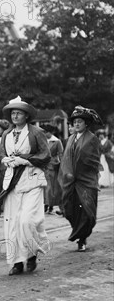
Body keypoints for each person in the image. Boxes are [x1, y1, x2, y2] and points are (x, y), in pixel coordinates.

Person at [0, 96, 50, 276]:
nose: (15, 116)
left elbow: (45, 155)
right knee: (13, 223)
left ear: (26, 116)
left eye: (19, 113)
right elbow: (0, 154)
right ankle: (17, 262)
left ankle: (32, 253)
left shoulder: (35, 133)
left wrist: (25, 160)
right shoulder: (6, 134)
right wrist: (6, 159)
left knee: (27, 220)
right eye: (13, 113)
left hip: (32, 179)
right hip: (12, 183)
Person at [58, 106, 102, 252]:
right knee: (70, 209)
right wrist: (68, 173)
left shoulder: (92, 139)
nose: (76, 124)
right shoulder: (70, 139)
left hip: (85, 181)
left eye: (79, 122)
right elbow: (66, 158)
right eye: (74, 122)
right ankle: (77, 231)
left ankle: (82, 239)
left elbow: (94, 160)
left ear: (86, 124)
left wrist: (82, 169)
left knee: (86, 212)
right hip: (71, 181)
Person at [42, 124, 64, 214]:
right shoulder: (42, 140)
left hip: (53, 166)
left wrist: (62, 165)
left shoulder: (57, 141)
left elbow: (61, 154)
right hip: (43, 166)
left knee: (51, 187)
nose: (44, 134)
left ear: (50, 132)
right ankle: (46, 204)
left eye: (46, 132)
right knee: (45, 187)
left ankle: (49, 205)